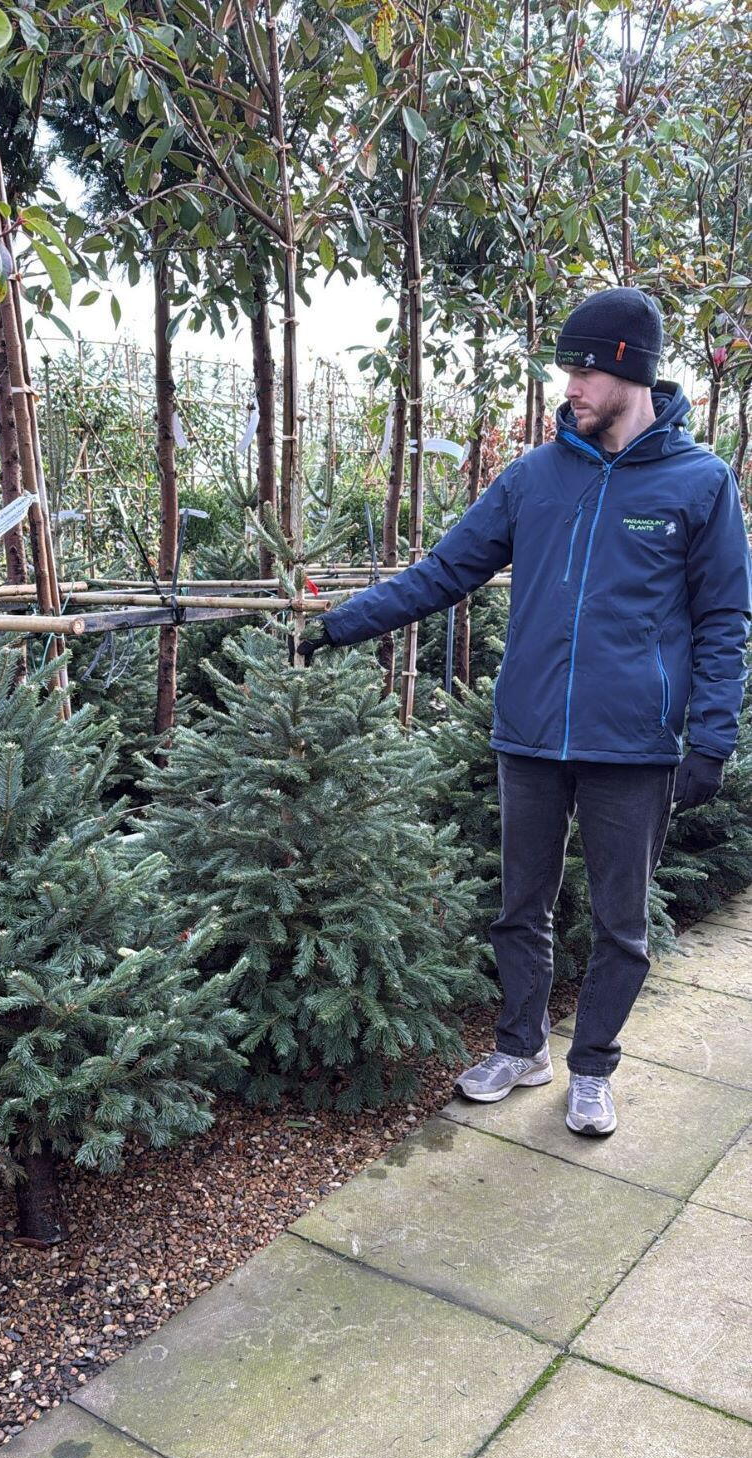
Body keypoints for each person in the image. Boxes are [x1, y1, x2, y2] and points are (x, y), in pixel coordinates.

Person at [299, 287, 752, 1137]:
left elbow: (725, 618)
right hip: (532, 735)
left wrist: (711, 739)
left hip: (635, 745)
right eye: (566, 370)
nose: (568, 387)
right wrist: (340, 625)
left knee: (621, 924)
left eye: (583, 371)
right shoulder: (533, 479)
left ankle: (593, 1069)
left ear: (630, 372)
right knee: (520, 908)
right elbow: (445, 572)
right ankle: (521, 1047)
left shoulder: (700, 484)